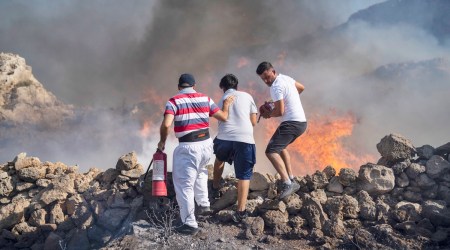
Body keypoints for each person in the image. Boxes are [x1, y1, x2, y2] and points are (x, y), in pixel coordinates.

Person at [157, 73, 234, 235]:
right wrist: (226, 105)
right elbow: (224, 117)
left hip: (188, 146)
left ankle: (190, 224)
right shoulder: (205, 98)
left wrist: (162, 141)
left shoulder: (174, 101)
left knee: (184, 184)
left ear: (179, 87)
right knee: (200, 172)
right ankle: (204, 204)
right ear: (194, 86)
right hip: (206, 144)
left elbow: (166, 125)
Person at [256, 61, 307, 200]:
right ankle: (291, 178)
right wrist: (291, 99)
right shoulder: (286, 78)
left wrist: (268, 115)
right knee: (281, 147)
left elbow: (280, 111)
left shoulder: (276, 87)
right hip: (301, 122)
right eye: (263, 79)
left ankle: (286, 183)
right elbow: (301, 88)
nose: (266, 80)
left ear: (273, 71)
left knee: (271, 151)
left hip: (291, 122)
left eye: (267, 76)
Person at [212, 74, 257, 223]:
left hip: (224, 138)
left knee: (219, 159)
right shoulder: (247, 96)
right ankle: (241, 211)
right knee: (244, 175)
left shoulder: (220, 100)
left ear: (222, 87)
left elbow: (220, 117)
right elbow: (254, 122)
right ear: (237, 85)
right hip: (244, 139)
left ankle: (215, 186)